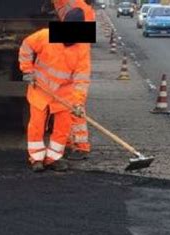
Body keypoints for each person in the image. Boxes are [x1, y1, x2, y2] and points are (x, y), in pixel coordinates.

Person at [19, 8, 91, 172]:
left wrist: (79, 103)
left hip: (64, 93)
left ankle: (54, 158)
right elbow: (26, 47)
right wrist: (27, 70)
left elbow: (82, 78)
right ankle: (36, 158)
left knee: (62, 127)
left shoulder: (82, 47)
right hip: (41, 88)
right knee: (37, 124)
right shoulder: (45, 35)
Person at [52, 0, 95, 160]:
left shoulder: (80, 10)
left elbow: (81, 78)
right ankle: (71, 143)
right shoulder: (82, 7)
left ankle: (81, 146)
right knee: (66, 103)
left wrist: (77, 100)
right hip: (74, 30)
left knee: (75, 103)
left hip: (77, 33)